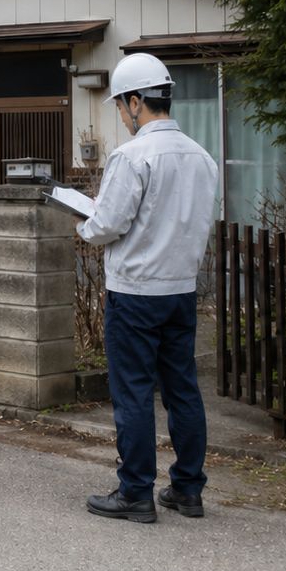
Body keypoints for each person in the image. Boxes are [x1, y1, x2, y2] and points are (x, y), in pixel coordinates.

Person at [76, 52, 219, 524]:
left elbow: (106, 225)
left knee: (133, 391)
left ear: (136, 102)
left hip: (135, 291)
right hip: (180, 290)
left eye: (120, 106)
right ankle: (187, 489)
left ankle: (136, 491)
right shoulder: (202, 157)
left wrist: (84, 221)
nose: (121, 115)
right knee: (182, 390)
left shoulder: (131, 156)